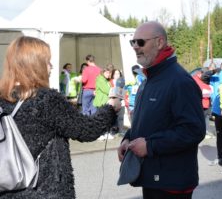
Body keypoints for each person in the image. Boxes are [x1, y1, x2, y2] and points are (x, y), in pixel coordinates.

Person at [0, 36, 121, 198]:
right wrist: (111, 108)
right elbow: (86, 129)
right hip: (46, 190)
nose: (51, 67)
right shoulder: (46, 99)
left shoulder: (3, 98)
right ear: (35, 65)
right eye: (47, 61)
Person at [117, 21, 206, 199]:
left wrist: (150, 145)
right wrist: (128, 139)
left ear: (159, 42)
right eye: (132, 42)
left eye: (140, 42)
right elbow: (147, 121)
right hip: (153, 178)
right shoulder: (149, 77)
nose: (135, 47)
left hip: (171, 183)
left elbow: (194, 130)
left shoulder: (179, 81)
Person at [209, 62, 222, 166]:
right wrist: (214, 71)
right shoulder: (215, 77)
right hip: (217, 110)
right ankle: (220, 157)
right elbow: (204, 76)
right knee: (219, 135)